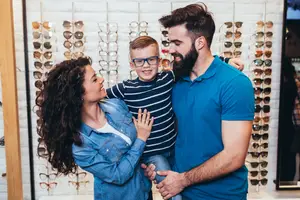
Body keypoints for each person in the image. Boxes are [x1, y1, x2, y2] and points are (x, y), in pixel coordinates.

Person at [106, 36, 244, 200]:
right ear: (132, 65)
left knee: (187, 183)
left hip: (174, 149)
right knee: (173, 193)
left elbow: (198, 63)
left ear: (159, 60)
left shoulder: (167, 79)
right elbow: (98, 97)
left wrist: (226, 61)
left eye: (151, 59)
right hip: (153, 155)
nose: (146, 65)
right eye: (140, 61)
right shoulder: (125, 89)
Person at [143, 3, 254, 200]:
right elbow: (178, 136)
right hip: (181, 192)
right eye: (169, 42)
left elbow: (235, 156)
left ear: (200, 42)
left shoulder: (234, 84)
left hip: (221, 195)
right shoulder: (176, 80)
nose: (169, 49)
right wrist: (158, 167)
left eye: (177, 43)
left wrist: (183, 180)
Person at [36, 57, 154, 200]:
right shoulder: (80, 145)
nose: (101, 79)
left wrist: (149, 167)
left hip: (144, 192)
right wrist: (141, 138)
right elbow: (118, 175)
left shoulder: (117, 105)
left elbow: (136, 154)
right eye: (94, 79)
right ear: (79, 94)